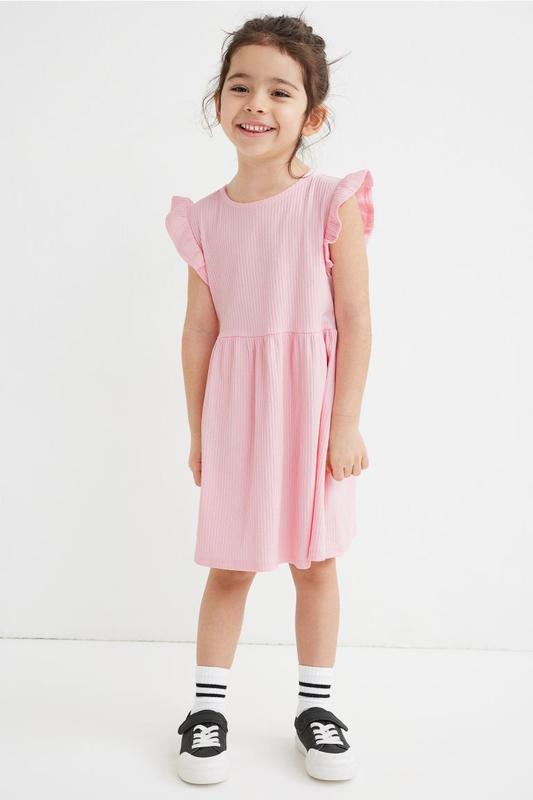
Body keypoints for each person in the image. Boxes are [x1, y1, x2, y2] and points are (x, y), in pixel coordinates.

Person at [164, 13, 374, 785]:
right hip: (237, 415)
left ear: (311, 116)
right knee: (230, 565)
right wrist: (198, 433)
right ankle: (205, 710)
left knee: (315, 564)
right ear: (218, 101)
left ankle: (316, 708)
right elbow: (199, 331)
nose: (256, 103)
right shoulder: (205, 218)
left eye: (279, 91)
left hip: (312, 412)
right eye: (240, 86)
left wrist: (344, 425)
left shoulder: (328, 201)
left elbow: (354, 319)